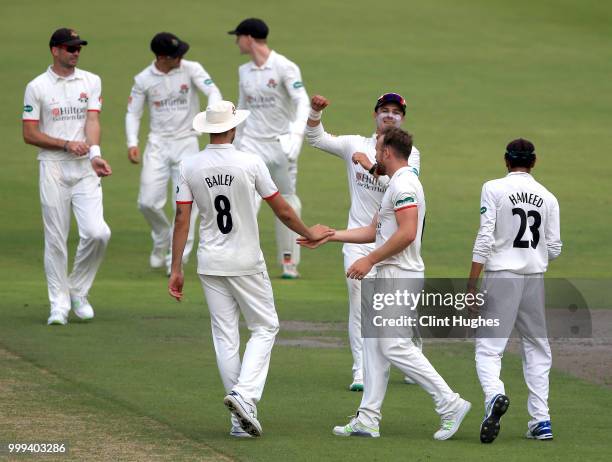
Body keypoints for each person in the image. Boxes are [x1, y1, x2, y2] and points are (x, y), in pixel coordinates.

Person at [167, 101, 333, 437]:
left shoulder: (188, 165)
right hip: (245, 261)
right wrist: (309, 233)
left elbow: (182, 218)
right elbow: (282, 210)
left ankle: (239, 421)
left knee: (225, 335)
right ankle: (244, 396)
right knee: (265, 326)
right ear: (233, 128)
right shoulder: (250, 162)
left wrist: (175, 268)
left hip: (210, 262)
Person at [299, 127, 470, 440]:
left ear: (388, 153)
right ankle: (368, 418)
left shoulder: (404, 185)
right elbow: (373, 230)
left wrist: (370, 260)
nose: (374, 155)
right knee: (375, 347)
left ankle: (450, 403)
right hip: (391, 274)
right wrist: (329, 235)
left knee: (393, 345)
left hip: (399, 275)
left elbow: (406, 233)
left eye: (378, 150)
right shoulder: (394, 185)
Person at [305, 93, 421, 391]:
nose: (390, 115)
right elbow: (315, 139)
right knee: (359, 303)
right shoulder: (355, 144)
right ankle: (361, 370)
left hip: (393, 240)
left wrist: (371, 166)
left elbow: (398, 187)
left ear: (402, 118)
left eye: (396, 112)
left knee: (399, 308)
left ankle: (412, 354)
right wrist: (315, 112)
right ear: (375, 115)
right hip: (359, 239)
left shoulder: (410, 155)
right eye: (385, 110)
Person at [468, 138, 562, 443]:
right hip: (534, 278)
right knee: (537, 348)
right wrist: (533, 252)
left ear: (506, 161)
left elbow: (485, 236)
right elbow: (555, 248)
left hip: (501, 276)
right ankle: (541, 420)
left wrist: (472, 283)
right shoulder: (548, 197)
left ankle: (495, 395)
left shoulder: (493, 188)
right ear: (533, 162)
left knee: (488, 347)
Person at [22, 28, 112, 326]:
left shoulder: (91, 81)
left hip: (85, 166)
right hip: (54, 166)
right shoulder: (37, 87)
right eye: (69, 48)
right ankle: (58, 305)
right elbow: (29, 133)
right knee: (56, 239)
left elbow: (92, 120)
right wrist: (65, 144)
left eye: (78, 48)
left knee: (98, 233)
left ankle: (78, 290)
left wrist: (95, 153)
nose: (75, 52)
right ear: (55, 50)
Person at [126, 32, 222, 273]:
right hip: (157, 144)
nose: (181, 58)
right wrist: (131, 142)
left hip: (187, 142)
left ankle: (175, 261)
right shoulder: (143, 79)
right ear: (161, 57)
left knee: (186, 204)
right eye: (175, 56)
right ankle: (161, 236)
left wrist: (211, 112)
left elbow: (212, 91)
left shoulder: (191, 69)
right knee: (147, 202)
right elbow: (133, 113)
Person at [228, 18, 309, 279]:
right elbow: (242, 108)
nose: (236, 41)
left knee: (286, 201)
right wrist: (234, 144)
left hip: (281, 145)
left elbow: (302, 102)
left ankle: (288, 261)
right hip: (251, 144)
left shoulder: (285, 67)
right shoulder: (244, 71)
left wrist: (296, 135)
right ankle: (244, 259)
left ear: (249, 38)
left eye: (238, 36)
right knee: (245, 200)